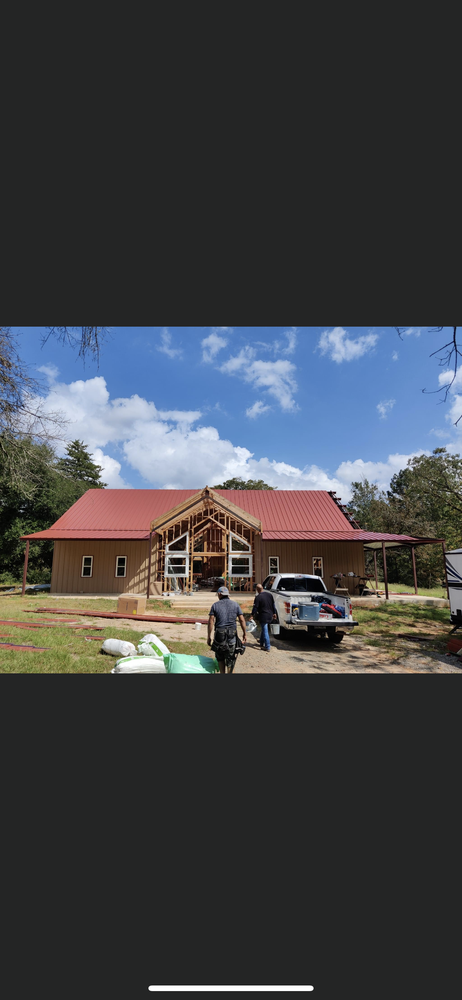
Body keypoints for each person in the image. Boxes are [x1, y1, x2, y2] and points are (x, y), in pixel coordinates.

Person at [208, 586, 247, 674]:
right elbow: (242, 620)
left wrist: (209, 637)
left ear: (219, 594)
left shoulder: (215, 605)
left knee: (220, 658)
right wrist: (245, 633)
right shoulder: (235, 605)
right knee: (230, 660)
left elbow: (211, 621)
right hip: (231, 636)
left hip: (219, 637)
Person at [252, 583, 277, 652]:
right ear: (262, 588)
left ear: (257, 590)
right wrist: (274, 613)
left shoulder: (258, 597)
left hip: (263, 615)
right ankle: (261, 642)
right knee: (264, 628)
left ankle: (267, 646)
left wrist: (252, 615)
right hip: (270, 615)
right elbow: (273, 605)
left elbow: (255, 607)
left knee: (265, 630)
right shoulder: (269, 595)